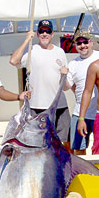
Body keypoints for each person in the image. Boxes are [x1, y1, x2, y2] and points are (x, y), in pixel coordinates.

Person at [9, 19, 71, 150]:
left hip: (59, 106)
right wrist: (26, 40)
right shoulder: (32, 51)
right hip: (37, 107)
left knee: (63, 143)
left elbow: (65, 87)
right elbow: (14, 61)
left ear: (52, 34)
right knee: (39, 144)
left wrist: (63, 75)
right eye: (41, 31)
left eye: (47, 31)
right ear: (37, 34)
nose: (44, 34)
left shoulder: (60, 52)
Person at [65, 30, 99, 155]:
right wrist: (62, 76)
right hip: (80, 113)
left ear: (91, 42)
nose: (83, 46)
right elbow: (67, 87)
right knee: (78, 148)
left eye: (85, 42)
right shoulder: (72, 64)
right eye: (79, 43)